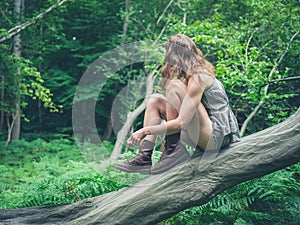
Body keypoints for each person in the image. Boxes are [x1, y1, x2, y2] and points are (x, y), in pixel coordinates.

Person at [113, 34, 240, 174]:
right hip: (205, 136)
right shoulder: (190, 77)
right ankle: (145, 155)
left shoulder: (199, 77)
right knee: (155, 99)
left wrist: (145, 131)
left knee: (174, 84)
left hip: (218, 138)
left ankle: (173, 150)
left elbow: (181, 123)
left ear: (175, 56)